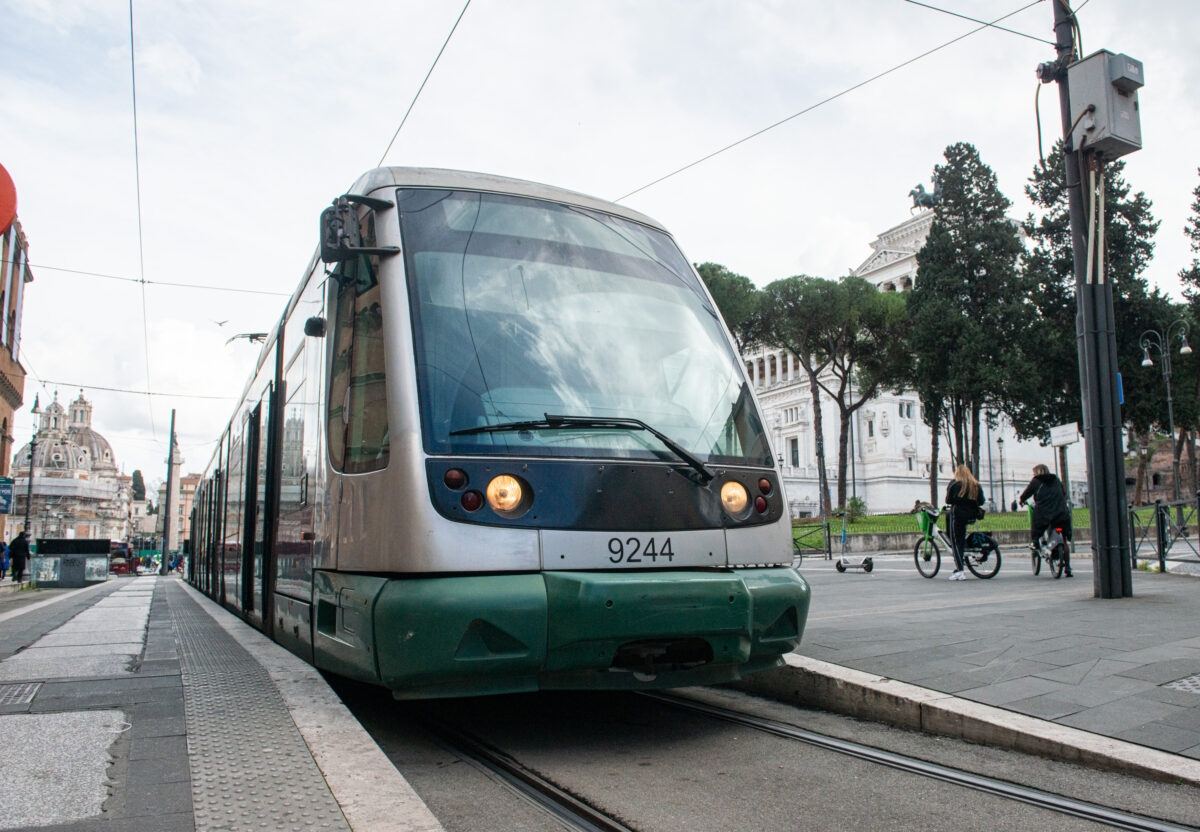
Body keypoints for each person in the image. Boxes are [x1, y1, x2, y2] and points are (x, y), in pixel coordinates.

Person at [1019, 464, 1073, 577]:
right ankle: (1068, 567)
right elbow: (1064, 493)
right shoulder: (1056, 479)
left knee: (1037, 526)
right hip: (1061, 512)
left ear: (1037, 472)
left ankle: (1036, 543)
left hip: (1045, 513)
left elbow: (1026, 494)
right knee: (1064, 539)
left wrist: (1022, 500)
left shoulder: (1036, 481)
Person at [944, 464, 986, 581]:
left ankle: (960, 571)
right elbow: (981, 501)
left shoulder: (955, 484)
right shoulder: (975, 485)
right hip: (972, 515)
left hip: (958, 516)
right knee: (961, 538)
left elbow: (948, 500)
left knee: (956, 542)